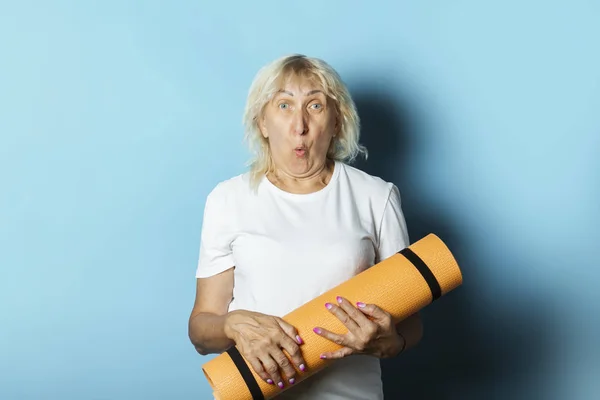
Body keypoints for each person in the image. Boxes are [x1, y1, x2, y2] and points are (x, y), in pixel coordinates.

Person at [188, 54, 423, 399]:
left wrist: (391, 342)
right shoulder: (228, 200)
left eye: (315, 105)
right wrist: (230, 324)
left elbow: (412, 324)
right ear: (263, 123)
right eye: (284, 105)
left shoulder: (376, 196)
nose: (299, 125)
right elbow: (200, 329)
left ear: (337, 121)